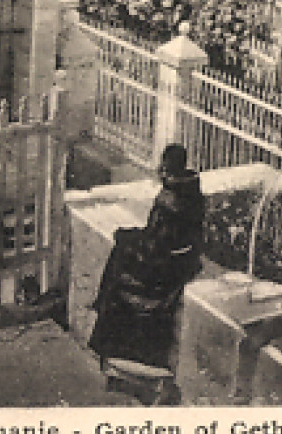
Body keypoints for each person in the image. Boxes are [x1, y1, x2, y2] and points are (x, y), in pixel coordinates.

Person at [88, 144, 205, 402]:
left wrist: (131, 239)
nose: (161, 171)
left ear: (169, 168)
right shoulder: (192, 191)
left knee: (120, 259)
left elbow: (158, 243)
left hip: (167, 263)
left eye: (164, 166)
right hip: (184, 258)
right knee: (124, 246)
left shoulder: (170, 199)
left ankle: (112, 339)